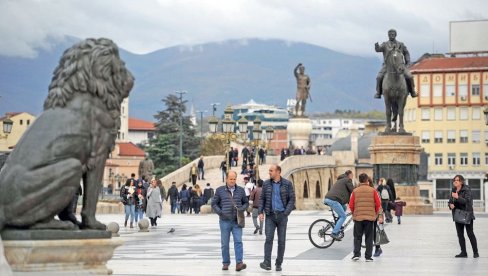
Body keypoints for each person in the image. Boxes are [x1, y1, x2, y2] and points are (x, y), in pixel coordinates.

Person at [258, 165, 296, 272]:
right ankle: (267, 263)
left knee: (281, 241)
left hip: (282, 216)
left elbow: (292, 199)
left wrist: (286, 213)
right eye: (269, 171)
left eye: (271, 171)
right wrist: (260, 212)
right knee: (268, 239)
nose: (269, 172)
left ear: (278, 172)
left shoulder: (287, 184)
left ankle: (279, 263)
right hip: (270, 216)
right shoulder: (266, 184)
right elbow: (262, 199)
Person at [212, 171, 248, 271]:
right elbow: (214, 203)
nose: (232, 181)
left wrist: (242, 208)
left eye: (234, 179)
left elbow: (246, 202)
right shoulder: (220, 190)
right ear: (227, 179)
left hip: (237, 221)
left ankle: (239, 263)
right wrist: (220, 212)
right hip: (224, 221)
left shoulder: (241, 190)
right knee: (224, 243)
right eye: (231, 179)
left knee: (238, 242)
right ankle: (226, 263)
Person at [374, 29, 417, 99]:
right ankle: (378, 92)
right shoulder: (385, 44)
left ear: (395, 35)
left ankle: (412, 91)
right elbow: (378, 49)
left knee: (410, 77)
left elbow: (406, 53)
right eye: (390, 34)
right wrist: (376, 46)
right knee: (379, 77)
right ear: (388, 35)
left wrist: (408, 62)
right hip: (387, 66)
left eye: (393, 34)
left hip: (400, 65)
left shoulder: (401, 44)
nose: (391, 35)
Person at [349, 173, 382, 262]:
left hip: (358, 217)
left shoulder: (355, 191)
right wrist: (375, 214)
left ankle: (356, 254)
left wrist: (353, 213)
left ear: (359, 180)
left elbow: (351, 205)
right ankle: (368, 257)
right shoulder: (373, 191)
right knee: (369, 237)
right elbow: (378, 204)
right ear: (367, 180)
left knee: (357, 237)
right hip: (370, 218)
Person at [448, 175, 479, 258]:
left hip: (467, 214)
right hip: (457, 214)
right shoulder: (453, 190)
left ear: (461, 181)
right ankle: (463, 252)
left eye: (457, 180)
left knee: (470, 234)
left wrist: (458, 197)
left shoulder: (467, 189)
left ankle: (475, 252)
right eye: (454, 180)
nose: (455, 181)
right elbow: (450, 201)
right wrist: (450, 205)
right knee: (460, 235)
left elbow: (468, 202)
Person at [323, 170, 355, 240]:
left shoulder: (341, 180)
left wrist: (353, 205)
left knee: (344, 208)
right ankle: (334, 233)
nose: (352, 177)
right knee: (343, 216)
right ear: (349, 175)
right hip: (333, 200)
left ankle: (337, 224)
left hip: (331, 199)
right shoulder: (347, 180)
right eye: (352, 175)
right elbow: (354, 191)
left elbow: (348, 197)